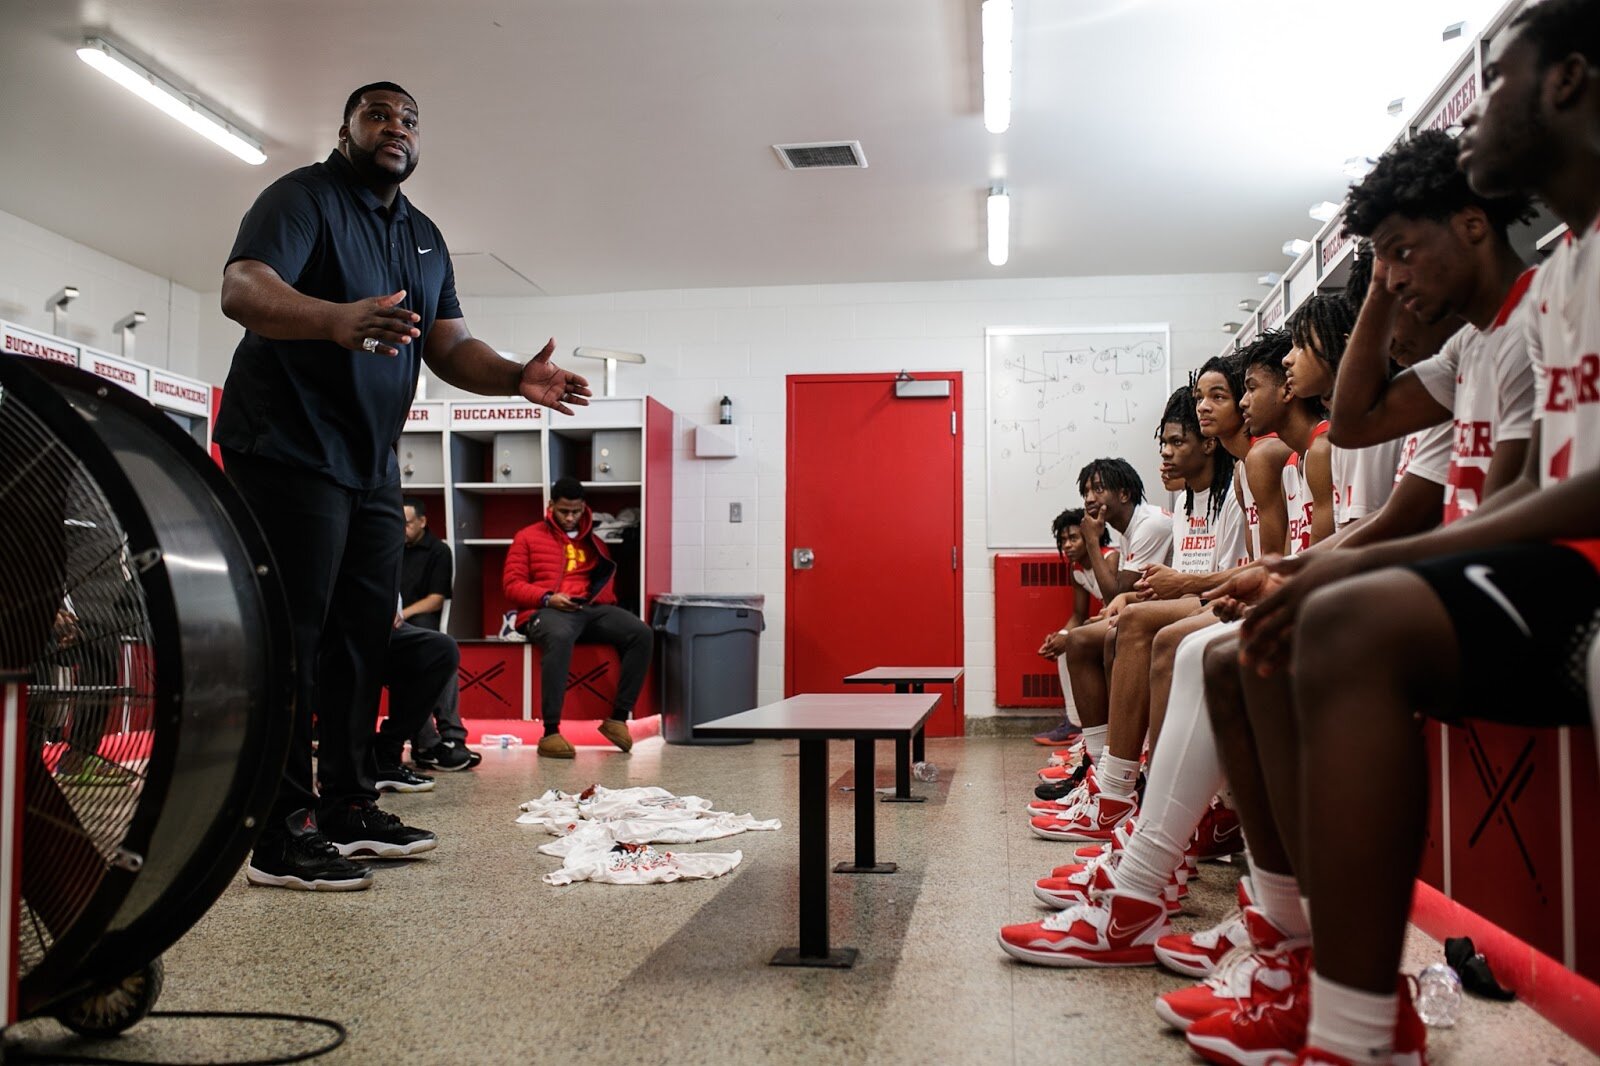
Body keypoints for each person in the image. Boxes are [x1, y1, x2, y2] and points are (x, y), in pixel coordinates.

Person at [1237, 3, 1600, 1061]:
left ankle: (1354, 1030)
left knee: (1336, 618)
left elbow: (1526, 505)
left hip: (1567, 588)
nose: (1474, 116)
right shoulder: (1557, 279)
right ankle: (1325, 991)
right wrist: (1379, 277)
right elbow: (1358, 420)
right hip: (1550, 581)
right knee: (1287, 630)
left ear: (1570, 82)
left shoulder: (1550, 286)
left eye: (1496, 88)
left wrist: (1361, 566)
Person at [217, 82, 591, 891]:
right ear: (346, 129)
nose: (396, 128)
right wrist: (332, 318)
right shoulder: (302, 198)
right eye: (378, 114)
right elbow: (242, 289)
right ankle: (281, 834)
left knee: (362, 640)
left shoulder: (420, 235)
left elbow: (449, 345)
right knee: (296, 639)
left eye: (410, 120)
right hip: (285, 449)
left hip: (370, 462)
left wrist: (513, 377)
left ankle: (350, 804)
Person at [503, 477, 651, 758]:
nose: (570, 518)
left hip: (587, 610)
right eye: (563, 511)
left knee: (640, 633)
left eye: (576, 512)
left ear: (585, 508)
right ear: (551, 507)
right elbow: (511, 584)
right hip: (546, 609)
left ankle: (618, 719)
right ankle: (550, 733)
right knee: (559, 636)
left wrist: (595, 602)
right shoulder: (527, 537)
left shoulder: (594, 543)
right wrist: (548, 597)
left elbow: (608, 590)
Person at [400, 498, 476, 770]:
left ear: (422, 521)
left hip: (418, 625)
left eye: (407, 523)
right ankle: (428, 744)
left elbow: (436, 599)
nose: (402, 529)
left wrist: (401, 614)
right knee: (416, 664)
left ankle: (451, 739)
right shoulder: (389, 548)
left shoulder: (438, 551)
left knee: (440, 655)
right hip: (390, 629)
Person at [1032, 506, 1114, 746]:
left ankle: (1095, 724)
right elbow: (1078, 614)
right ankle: (1074, 723)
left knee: (1073, 642)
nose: (1067, 545)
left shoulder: (1110, 557)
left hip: (1119, 621)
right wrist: (1061, 635)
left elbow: (1115, 602)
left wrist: (1071, 636)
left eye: (1073, 538)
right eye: (1062, 540)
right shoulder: (1076, 569)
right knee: (1064, 647)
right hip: (1102, 623)